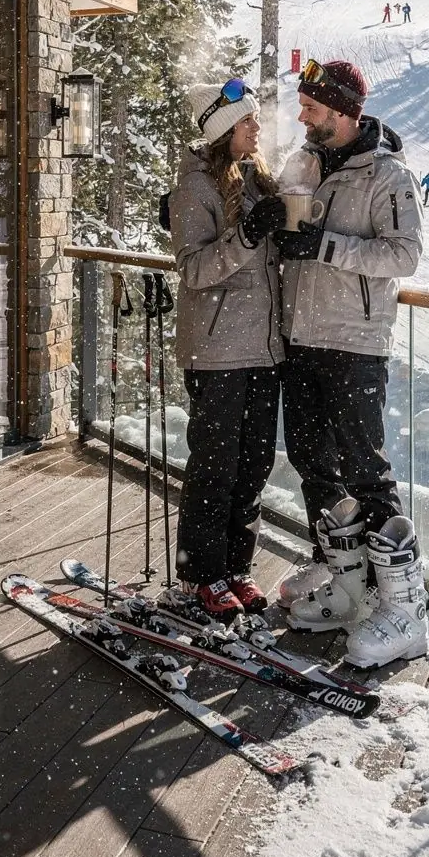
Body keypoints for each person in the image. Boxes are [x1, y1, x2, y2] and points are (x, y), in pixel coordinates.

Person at [273, 59, 428, 668]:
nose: (303, 116)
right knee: (315, 464)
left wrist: (326, 246)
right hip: (303, 338)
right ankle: (350, 588)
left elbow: (406, 255)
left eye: (312, 108)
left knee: (367, 469)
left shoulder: (388, 175)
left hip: (357, 343)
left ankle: (405, 611)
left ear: (344, 113)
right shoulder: (307, 162)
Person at [168, 80, 286, 619]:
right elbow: (193, 269)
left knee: (254, 463)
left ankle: (236, 568)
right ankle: (202, 575)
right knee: (216, 465)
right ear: (222, 131)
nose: (256, 129)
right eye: (246, 122)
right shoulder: (194, 188)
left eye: (255, 120)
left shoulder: (257, 181)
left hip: (263, 348)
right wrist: (245, 237)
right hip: (216, 350)